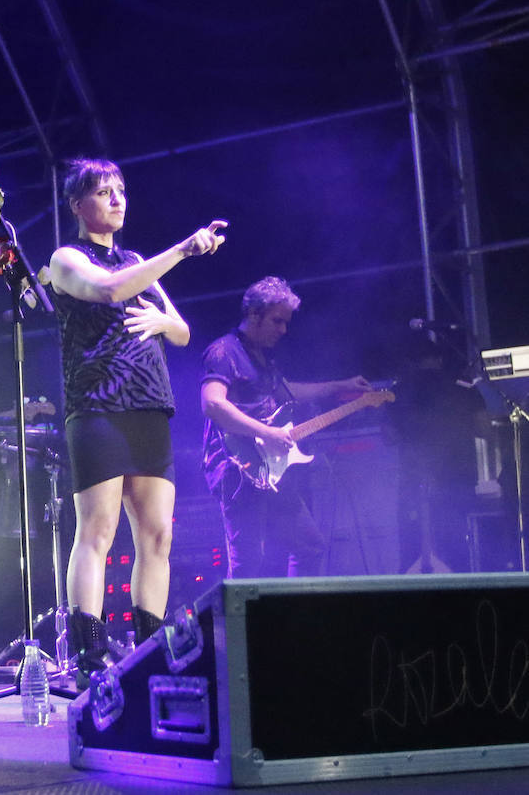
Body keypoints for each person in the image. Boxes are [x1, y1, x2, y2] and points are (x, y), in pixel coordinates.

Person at [43, 158, 225, 688]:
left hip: (149, 402)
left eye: (120, 190)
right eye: (103, 192)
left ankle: (150, 651)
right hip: (98, 404)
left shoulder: (136, 259)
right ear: (78, 204)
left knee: (157, 535)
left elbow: (185, 333)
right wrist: (183, 251)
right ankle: (90, 657)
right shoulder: (65, 258)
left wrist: (165, 320)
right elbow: (108, 290)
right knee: (97, 531)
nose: (117, 199)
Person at [200, 277, 371, 578]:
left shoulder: (262, 359)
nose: (283, 330)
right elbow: (213, 404)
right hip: (236, 467)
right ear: (254, 314)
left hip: (270, 468)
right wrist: (267, 433)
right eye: (277, 321)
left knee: (309, 546)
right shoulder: (224, 351)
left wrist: (340, 386)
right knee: (248, 562)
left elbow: (287, 392)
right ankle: (243, 624)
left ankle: (293, 617)